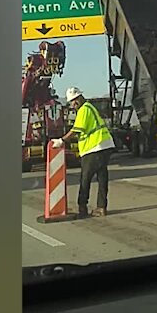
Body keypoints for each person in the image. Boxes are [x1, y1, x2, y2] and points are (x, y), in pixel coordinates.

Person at [55, 87, 115, 219]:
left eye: (75, 100)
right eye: (71, 101)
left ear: (80, 97)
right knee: (102, 176)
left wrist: (61, 140)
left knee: (85, 178)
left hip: (94, 147)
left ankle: (83, 206)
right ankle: (101, 207)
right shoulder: (90, 107)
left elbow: (76, 129)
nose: (73, 103)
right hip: (105, 145)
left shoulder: (84, 110)